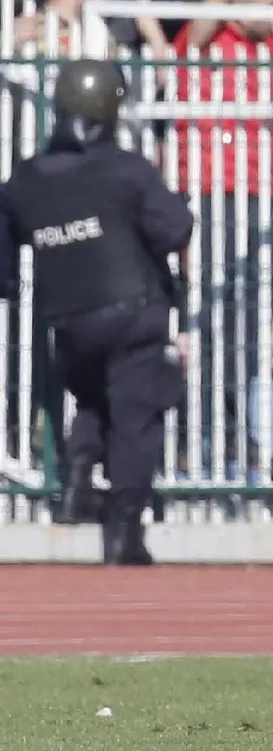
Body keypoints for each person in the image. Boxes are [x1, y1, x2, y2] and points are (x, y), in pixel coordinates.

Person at [0, 61, 193, 564]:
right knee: (135, 413)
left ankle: (76, 485)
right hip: (132, 310)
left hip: (69, 319)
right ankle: (124, 531)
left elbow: (7, 240)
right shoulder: (126, 170)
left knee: (93, 399)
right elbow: (173, 230)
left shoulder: (27, 178)